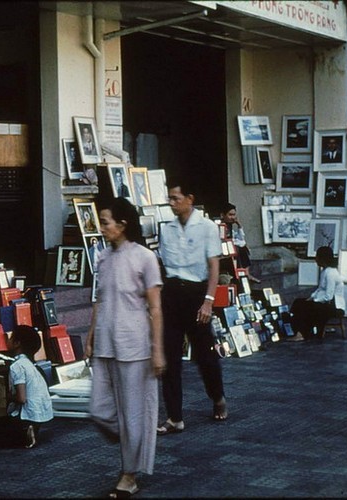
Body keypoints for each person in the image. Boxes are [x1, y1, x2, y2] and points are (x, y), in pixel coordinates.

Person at [86, 196, 164, 498]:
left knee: (132, 414)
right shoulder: (102, 257)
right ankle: (136, 440)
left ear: (122, 225)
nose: (101, 228)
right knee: (98, 409)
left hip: (134, 344)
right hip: (105, 342)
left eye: (105, 223)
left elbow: (155, 308)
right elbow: (99, 299)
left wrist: (157, 350)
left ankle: (129, 474)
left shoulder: (145, 257)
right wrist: (91, 337)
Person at [157, 176, 227, 435]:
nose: (172, 203)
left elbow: (214, 267)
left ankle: (217, 397)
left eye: (176, 198)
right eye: (170, 199)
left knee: (204, 354)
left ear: (190, 199)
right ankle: (175, 417)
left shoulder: (207, 227)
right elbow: (164, 267)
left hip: (198, 294)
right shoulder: (167, 229)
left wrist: (208, 301)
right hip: (172, 294)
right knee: (170, 357)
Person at [0, 325, 53, 448]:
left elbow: (21, 398)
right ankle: (30, 431)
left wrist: (5, 397)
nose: (8, 340)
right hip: (41, 415)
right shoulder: (31, 364)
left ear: (17, 343)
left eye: (11, 338)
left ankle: (23, 434)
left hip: (27, 415)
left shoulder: (17, 366)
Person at [288, 246, 345, 341]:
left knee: (307, 307)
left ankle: (301, 333)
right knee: (299, 302)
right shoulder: (325, 271)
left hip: (333, 305)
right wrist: (311, 297)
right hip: (325, 302)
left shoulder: (331, 274)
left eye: (317, 257)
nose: (316, 259)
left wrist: (315, 300)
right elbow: (320, 289)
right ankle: (295, 328)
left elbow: (328, 296)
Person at [218, 202, 260, 286]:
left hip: (231, 249)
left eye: (234, 215)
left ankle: (246, 272)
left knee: (241, 247)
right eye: (230, 215)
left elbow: (240, 238)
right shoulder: (220, 226)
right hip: (222, 251)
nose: (233, 217)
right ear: (223, 215)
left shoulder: (230, 226)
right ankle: (244, 273)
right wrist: (241, 244)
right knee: (240, 247)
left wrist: (239, 225)